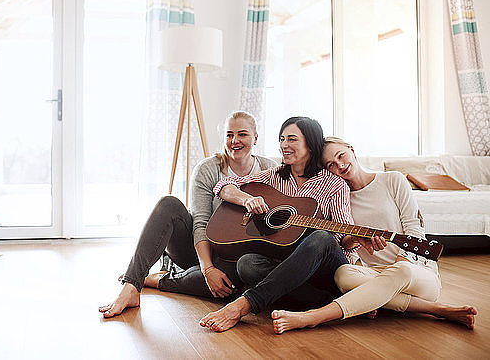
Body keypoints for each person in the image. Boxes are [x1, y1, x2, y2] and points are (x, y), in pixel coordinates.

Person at [270, 137, 477, 333]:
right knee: (343, 274)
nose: (340, 165)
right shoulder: (340, 197)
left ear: (352, 150)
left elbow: (414, 228)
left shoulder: (393, 180)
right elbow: (346, 243)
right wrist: (355, 239)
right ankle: (436, 309)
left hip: (417, 274)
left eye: (341, 156)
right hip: (375, 275)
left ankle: (313, 317)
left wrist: (400, 261)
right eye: (331, 164)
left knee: (402, 271)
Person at [99, 111, 278, 318]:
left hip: (233, 257)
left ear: (255, 138)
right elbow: (200, 222)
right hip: (197, 248)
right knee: (168, 204)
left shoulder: (269, 169)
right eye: (229, 135)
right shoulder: (208, 169)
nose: (234, 141)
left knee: (231, 286)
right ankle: (131, 285)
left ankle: (160, 280)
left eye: (242, 134)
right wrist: (208, 269)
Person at [199, 117, 359, 332]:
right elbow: (224, 185)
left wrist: (356, 238)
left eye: (291, 139)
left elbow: (342, 238)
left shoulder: (334, 184)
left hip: (323, 265)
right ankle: (329, 302)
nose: (284, 145)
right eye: (282, 139)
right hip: (287, 263)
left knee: (322, 236)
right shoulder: (274, 176)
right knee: (247, 264)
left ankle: (242, 305)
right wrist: (245, 199)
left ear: (310, 143)